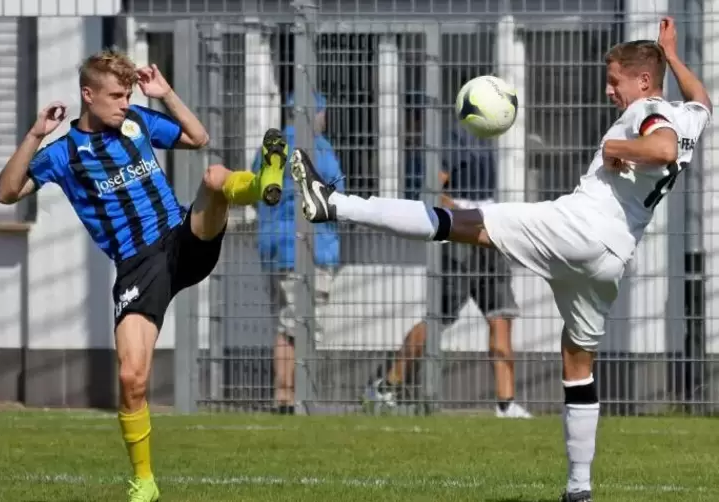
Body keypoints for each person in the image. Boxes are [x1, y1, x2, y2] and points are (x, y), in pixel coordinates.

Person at [289, 18, 711, 502]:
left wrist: (614, 146)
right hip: (611, 256)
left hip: (577, 227)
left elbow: (658, 147)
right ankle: (579, 488)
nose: (609, 90)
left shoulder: (650, 111)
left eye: (615, 81)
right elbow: (703, 100)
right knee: (577, 359)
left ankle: (335, 204)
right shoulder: (687, 117)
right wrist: (672, 55)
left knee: (464, 223)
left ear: (642, 81)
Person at [0, 49, 288, 502]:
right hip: (136, 266)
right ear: (87, 96)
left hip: (181, 239)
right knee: (132, 377)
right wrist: (35, 134)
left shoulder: (139, 122)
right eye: (115, 95)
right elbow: (7, 192)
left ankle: (264, 183)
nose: (124, 102)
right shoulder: (63, 154)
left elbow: (198, 135)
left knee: (212, 176)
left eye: (129, 93)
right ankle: (144, 481)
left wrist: (165, 93)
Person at [363, 94, 530, 419]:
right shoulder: (455, 138)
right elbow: (432, 190)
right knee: (439, 319)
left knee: (501, 316)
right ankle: (387, 387)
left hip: (491, 235)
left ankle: (506, 405)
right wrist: (462, 215)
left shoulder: (489, 142)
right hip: (461, 239)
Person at [252, 91, 344, 415]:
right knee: (303, 325)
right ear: (314, 114)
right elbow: (335, 198)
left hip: (274, 248)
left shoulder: (271, 147)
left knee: (284, 324)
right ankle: (296, 396)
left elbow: (257, 190)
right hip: (310, 248)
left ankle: (284, 397)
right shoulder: (320, 150)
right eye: (323, 114)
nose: (324, 120)